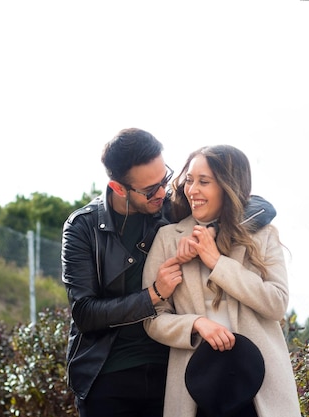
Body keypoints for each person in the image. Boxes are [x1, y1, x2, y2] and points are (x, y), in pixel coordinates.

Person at [61, 128, 278, 417]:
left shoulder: (170, 207)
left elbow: (254, 205)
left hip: (170, 370)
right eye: (150, 190)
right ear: (118, 188)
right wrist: (153, 294)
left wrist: (210, 234)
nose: (163, 193)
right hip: (107, 376)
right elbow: (85, 313)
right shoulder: (82, 228)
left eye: (164, 179)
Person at [142, 144, 303, 417]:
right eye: (189, 181)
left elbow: (276, 303)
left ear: (228, 186)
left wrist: (217, 262)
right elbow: (152, 317)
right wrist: (195, 324)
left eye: (204, 182)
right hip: (196, 390)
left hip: (260, 389)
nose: (192, 190)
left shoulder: (262, 235)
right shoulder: (169, 238)